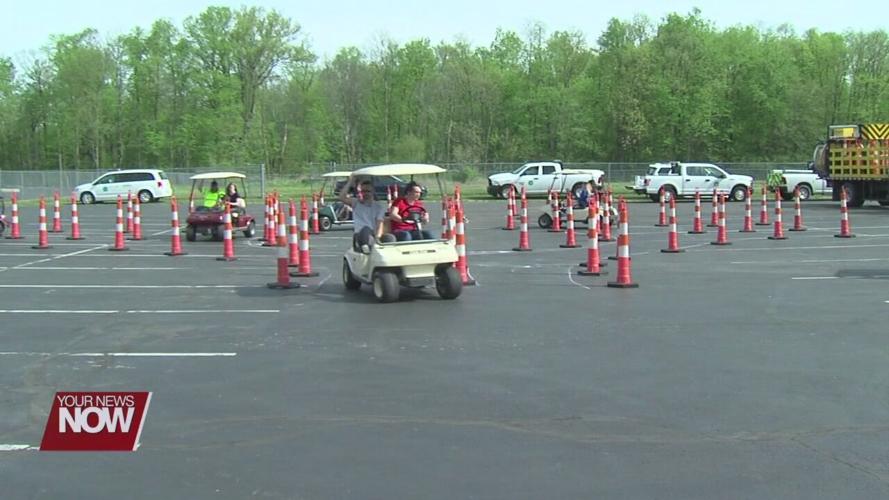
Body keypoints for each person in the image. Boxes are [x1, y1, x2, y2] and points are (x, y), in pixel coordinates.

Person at [339, 176, 389, 252]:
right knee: (366, 229)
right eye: (363, 191)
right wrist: (350, 182)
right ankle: (366, 248)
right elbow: (342, 197)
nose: (365, 193)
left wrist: (377, 238)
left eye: (368, 191)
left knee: (390, 238)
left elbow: (380, 224)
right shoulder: (356, 203)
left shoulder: (379, 207)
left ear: (372, 192)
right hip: (359, 236)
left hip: (373, 235)